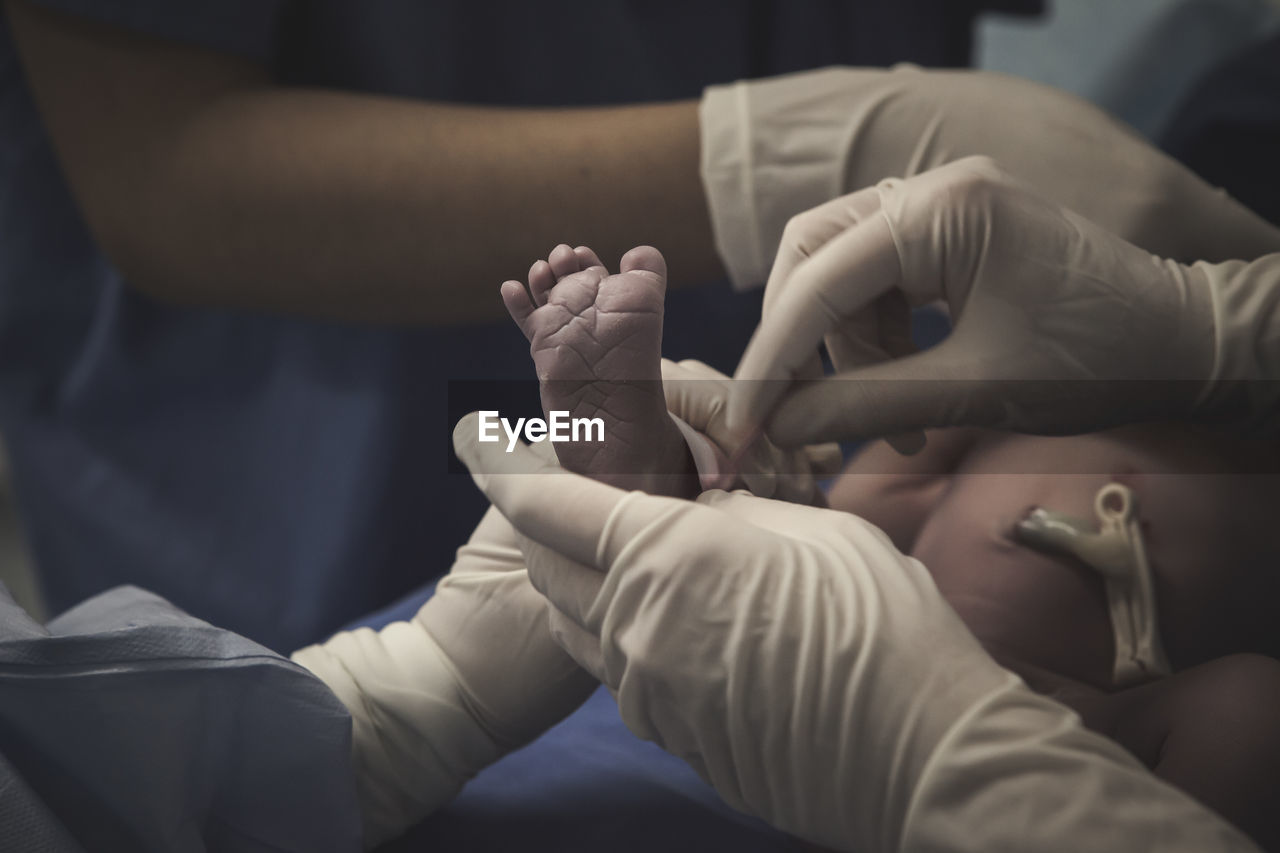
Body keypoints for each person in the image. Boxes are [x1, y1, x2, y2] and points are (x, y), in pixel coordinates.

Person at [1, 0, 1272, 653]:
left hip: (694, 400)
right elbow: (162, 166)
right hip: (328, 437)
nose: (921, 457)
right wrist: (795, 154)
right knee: (558, 444)